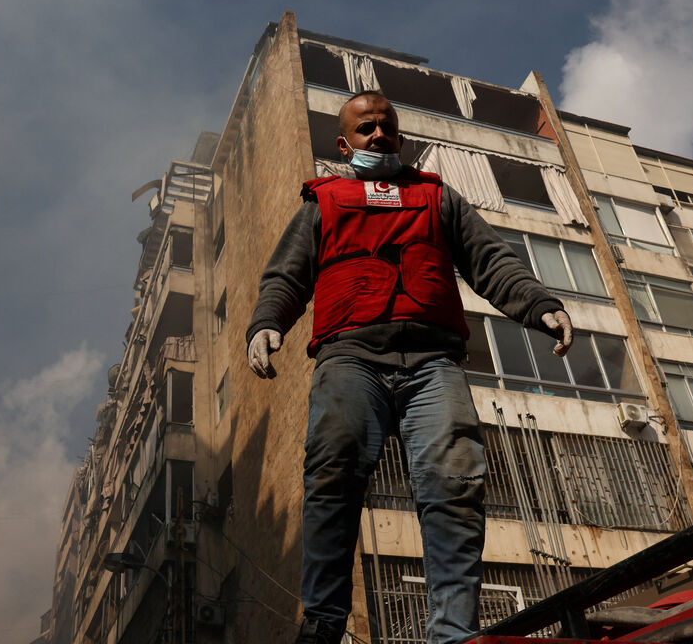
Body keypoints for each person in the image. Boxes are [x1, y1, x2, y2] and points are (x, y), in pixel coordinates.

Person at [246, 91, 573, 644]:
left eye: (386, 126)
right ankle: (323, 625)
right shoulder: (323, 202)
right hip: (350, 358)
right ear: (344, 143)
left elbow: (491, 259)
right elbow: (286, 275)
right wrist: (266, 322)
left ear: (399, 135)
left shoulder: (436, 197)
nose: (378, 135)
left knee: (455, 481)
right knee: (332, 474)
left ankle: (453, 633)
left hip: (432, 362)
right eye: (365, 128)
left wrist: (539, 304)